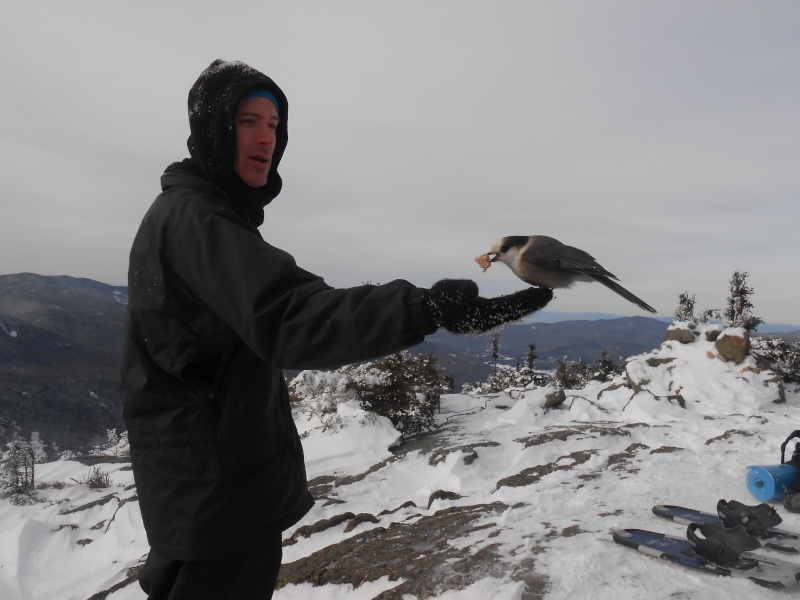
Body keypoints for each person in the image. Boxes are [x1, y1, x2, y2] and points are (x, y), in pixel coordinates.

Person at [120, 59, 553, 599]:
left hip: (199, 487)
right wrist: (424, 309)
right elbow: (292, 315)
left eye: (274, 126)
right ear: (213, 130)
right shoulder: (198, 221)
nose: (265, 139)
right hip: (216, 490)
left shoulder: (188, 215)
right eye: (247, 121)